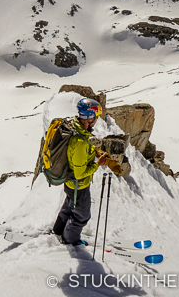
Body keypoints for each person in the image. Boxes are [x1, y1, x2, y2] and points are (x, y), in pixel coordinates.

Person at [52, 97, 107, 246]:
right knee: (81, 215)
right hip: (79, 185)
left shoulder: (75, 127)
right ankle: (70, 240)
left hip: (71, 184)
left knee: (69, 206)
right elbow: (80, 173)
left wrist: (93, 150)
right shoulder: (80, 142)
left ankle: (57, 231)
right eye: (95, 117)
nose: (96, 120)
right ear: (89, 118)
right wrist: (98, 164)